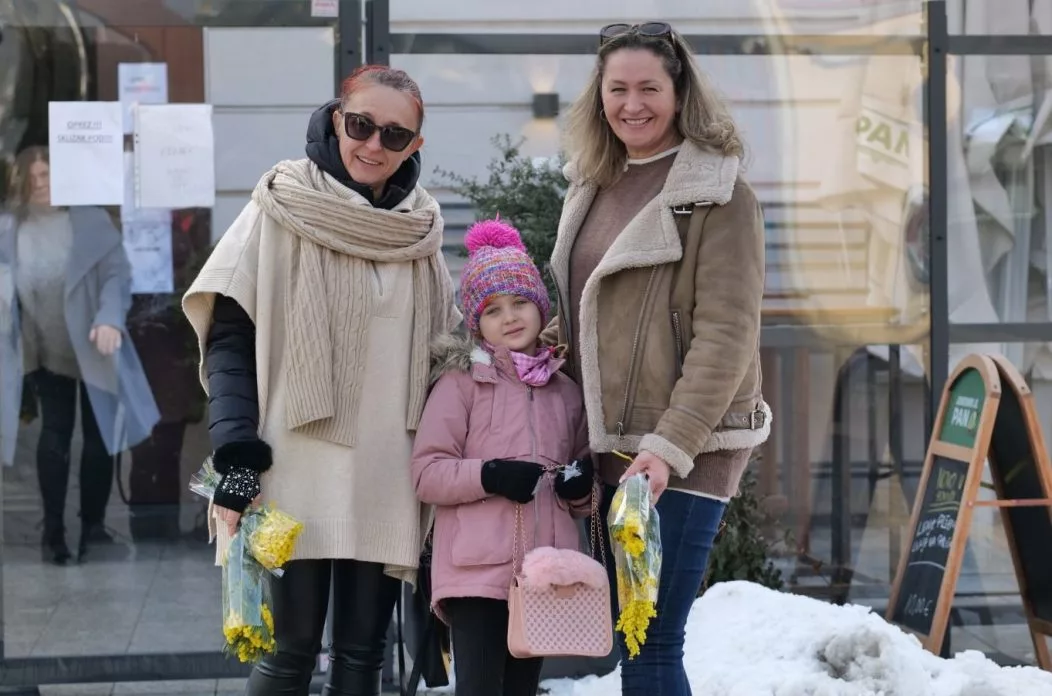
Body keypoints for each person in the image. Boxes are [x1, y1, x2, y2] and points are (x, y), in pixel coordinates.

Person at [182, 65, 460, 696]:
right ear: (337, 119)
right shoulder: (279, 205)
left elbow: (444, 353)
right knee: (289, 654)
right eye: (361, 125)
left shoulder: (420, 227)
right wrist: (237, 455)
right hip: (291, 470)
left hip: (387, 474)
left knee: (364, 656)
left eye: (394, 135)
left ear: (414, 145)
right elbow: (230, 339)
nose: (373, 145)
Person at [545, 22, 773, 695]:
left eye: (649, 88)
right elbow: (589, 310)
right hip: (612, 446)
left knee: (650, 645)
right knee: (635, 643)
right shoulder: (593, 182)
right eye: (618, 88)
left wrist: (670, 446)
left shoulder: (719, 193)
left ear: (679, 93)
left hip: (682, 453)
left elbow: (727, 335)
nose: (632, 104)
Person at [411, 218, 594, 696]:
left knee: (521, 689)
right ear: (478, 324)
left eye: (519, 303)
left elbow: (583, 491)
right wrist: (490, 475)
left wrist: (580, 487)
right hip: (474, 574)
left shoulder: (566, 392)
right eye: (493, 310)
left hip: (541, 572)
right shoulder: (461, 385)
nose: (509, 317)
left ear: (539, 307)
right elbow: (427, 473)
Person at [0, 145, 159, 565]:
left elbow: (116, 275)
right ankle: (53, 532)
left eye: (47, 175)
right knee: (55, 435)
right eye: (33, 177)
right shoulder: (10, 227)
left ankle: (93, 528)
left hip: (93, 346)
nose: (41, 184)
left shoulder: (90, 220)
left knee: (98, 436)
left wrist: (109, 318)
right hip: (42, 348)